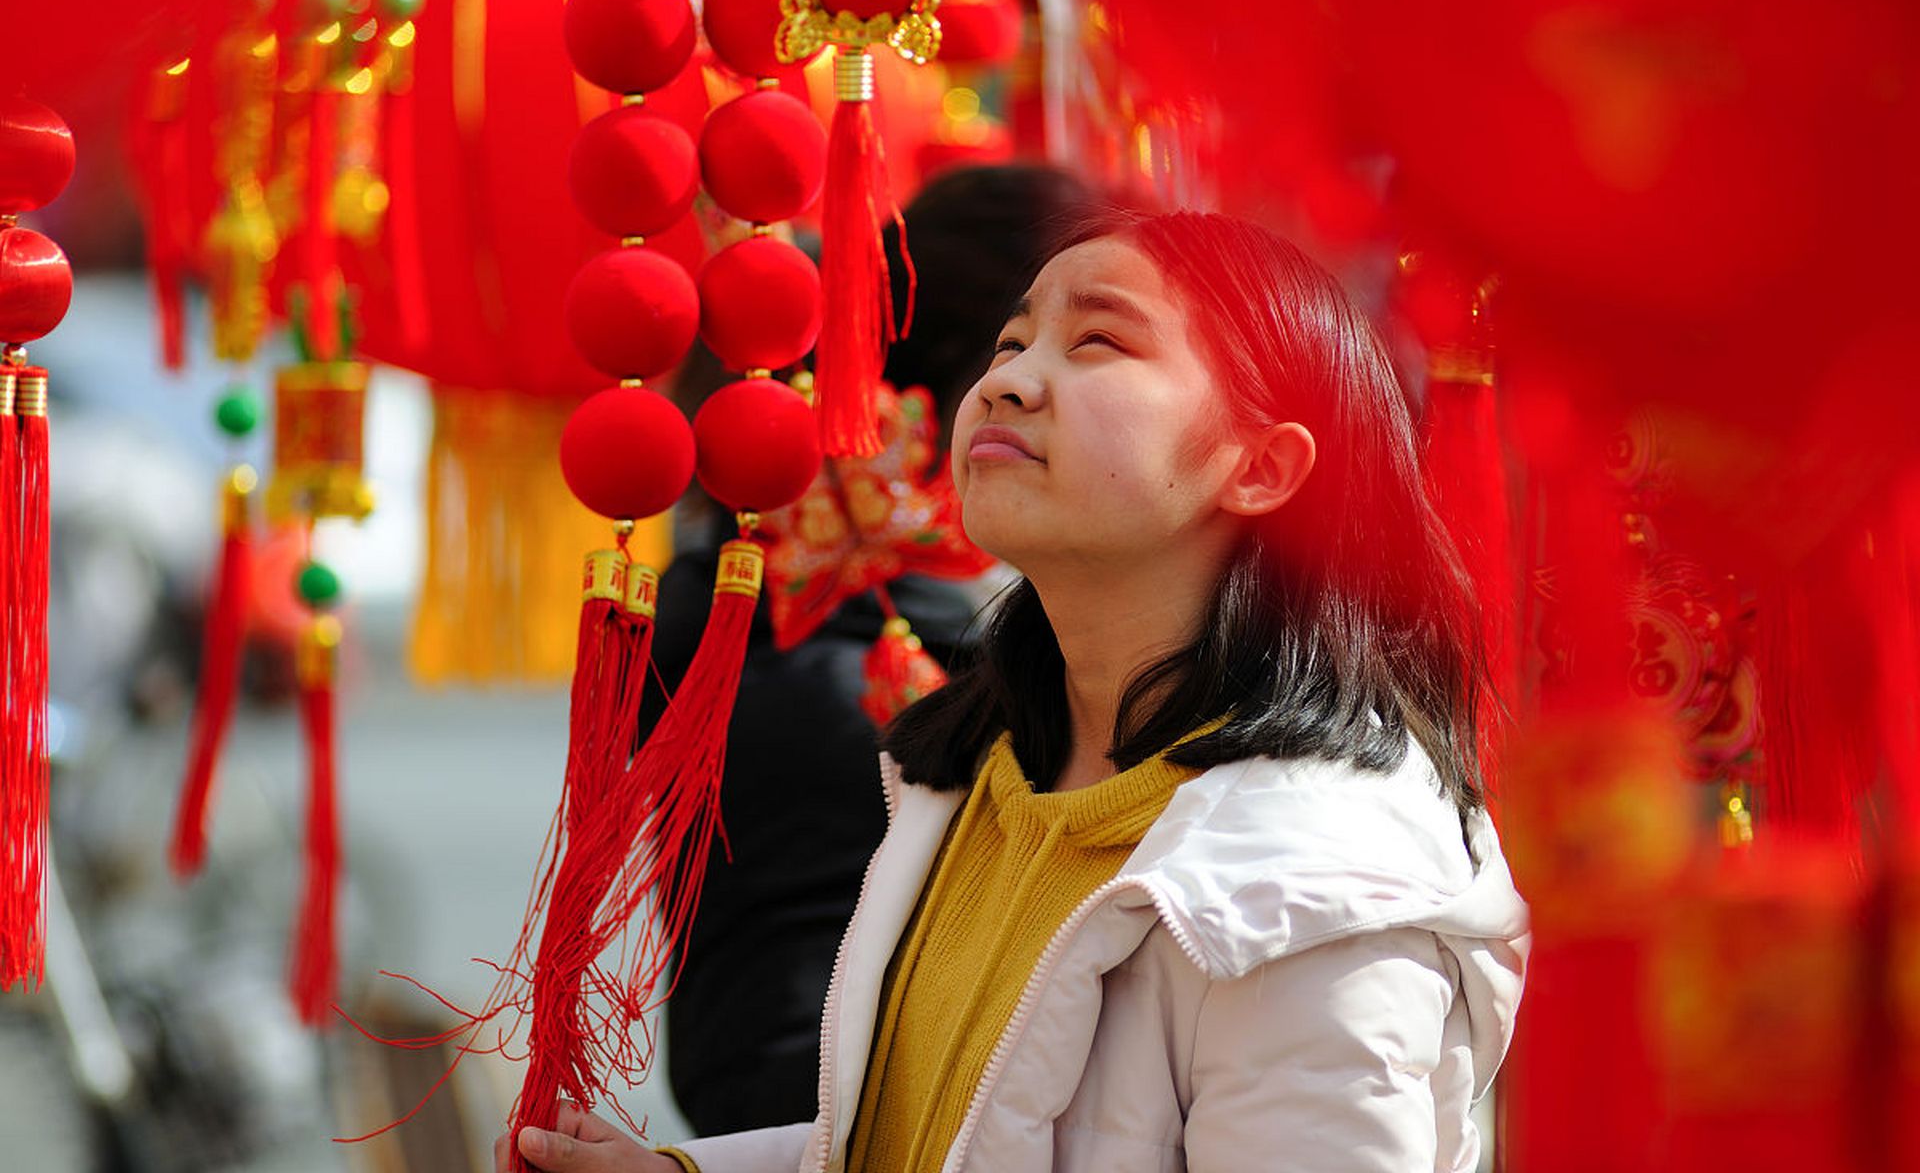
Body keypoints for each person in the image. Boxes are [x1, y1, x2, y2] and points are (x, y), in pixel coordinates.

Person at [498, 208, 1531, 1173]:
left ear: (1258, 465)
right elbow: (928, 1135)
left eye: (1099, 345)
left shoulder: (1314, 892)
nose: (1011, 383)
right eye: (1011, 343)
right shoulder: (976, 768)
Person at [642, 164, 1098, 1137]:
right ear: (985, 378)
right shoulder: (862, 634)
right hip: (831, 1110)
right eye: (1075, 347)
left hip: (766, 1098)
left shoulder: (735, 585)